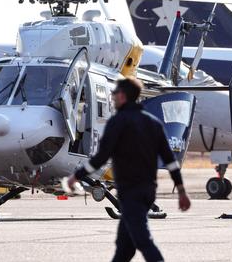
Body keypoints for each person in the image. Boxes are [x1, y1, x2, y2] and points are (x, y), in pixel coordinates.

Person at [66, 77, 190, 262]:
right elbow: (171, 161)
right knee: (124, 248)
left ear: (123, 96)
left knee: (143, 241)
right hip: (147, 191)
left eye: (114, 94)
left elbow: (101, 158)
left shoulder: (118, 122)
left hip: (131, 192)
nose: (113, 97)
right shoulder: (154, 123)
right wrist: (181, 190)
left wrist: (77, 175)